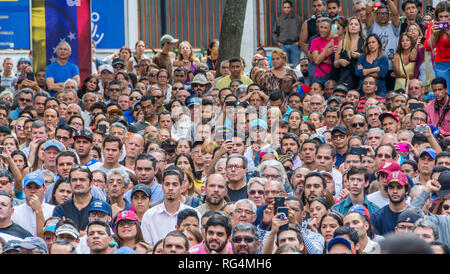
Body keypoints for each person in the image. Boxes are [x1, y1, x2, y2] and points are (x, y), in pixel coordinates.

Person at [141, 169, 201, 245]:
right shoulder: (150, 215)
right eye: (167, 184)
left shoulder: (193, 214)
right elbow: (147, 246)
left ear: (181, 186)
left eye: (175, 184)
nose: (170, 188)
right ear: (162, 187)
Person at [53, 165, 101, 231]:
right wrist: (86, 232)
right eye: (74, 180)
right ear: (70, 183)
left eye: (82, 180)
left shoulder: (100, 207)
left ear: (91, 183)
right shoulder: (61, 209)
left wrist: (68, 230)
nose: (78, 183)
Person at [12, 171, 55, 237]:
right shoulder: (15, 211)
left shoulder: (53, 210)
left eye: (37, 187)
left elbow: (46, 238)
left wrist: (38, 210)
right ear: (24, 190)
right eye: (29, 187)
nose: (33, 191)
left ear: (45, 190)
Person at [371, 171, 410, 236]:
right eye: (391, 187)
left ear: (406, 191)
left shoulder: (414, 215)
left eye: (399, 187)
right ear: (387, 190)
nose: (395, 191)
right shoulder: (377, 217)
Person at [425, 1, 450, 87]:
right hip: (441, 63)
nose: (443, 20)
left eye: (446, 16)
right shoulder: (433, 24)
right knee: (444, 91)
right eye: (441, 17)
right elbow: (428, 47)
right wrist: (434, 34)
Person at [272, 0, 303, 67]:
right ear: (283, 8)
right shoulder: (279, 19)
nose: (286, 9)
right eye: (285, 7)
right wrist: (277, 42)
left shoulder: (298, 19)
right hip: (283, 46)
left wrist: (300, 42)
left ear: (291, 8)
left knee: (297, 66)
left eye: (288, 7)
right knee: (284, 66)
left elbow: (303, 32)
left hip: (295, 45)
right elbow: (274, 32)